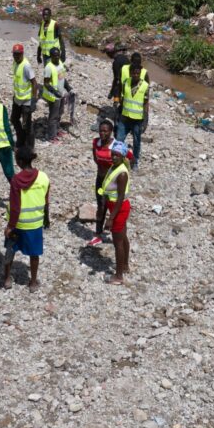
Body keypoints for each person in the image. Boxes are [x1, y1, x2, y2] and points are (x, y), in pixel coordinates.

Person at [3, 148, 50, 290]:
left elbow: (15, 206)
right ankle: (33, 282)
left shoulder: (16, 180)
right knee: (34, 254)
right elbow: (46, 200)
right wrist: (46, 218)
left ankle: (6, 279)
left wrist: (10, 226)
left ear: (20, 162)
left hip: (18, 223)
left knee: (10, 250)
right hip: (35, 223)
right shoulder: (43, 177)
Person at [101, 141, 133, 284]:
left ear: (122, 156)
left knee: (117, 242)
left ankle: (118, 276)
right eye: (113, 154)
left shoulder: (121, 174)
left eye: (117, 155)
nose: (113, 157)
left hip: (118, 208)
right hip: (115, 206)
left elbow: (120, 197)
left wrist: (110, 218)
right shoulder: (115, 167)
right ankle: (125, 265)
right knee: (123, 236)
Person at [87, 119, 119, 246]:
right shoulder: (96, 142)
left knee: (113, 207)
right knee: (101, 206)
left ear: (111, 132)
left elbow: (128, 159)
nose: (102, 133)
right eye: (100, 131)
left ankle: (117, 235)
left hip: (113, 183)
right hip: (100, 180)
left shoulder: (116, 146)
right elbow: (95, 157)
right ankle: (98, 234)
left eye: (105, 131)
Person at [116, 63, 149, 169]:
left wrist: (145, 120)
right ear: (130, 73)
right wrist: (118, 113)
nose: (135, 75)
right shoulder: (126, 83)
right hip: (124, 117)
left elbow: (146, 103)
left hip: (137, 120)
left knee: (136, 142)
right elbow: (122, 99)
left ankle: (134, 161)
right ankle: (117, 159)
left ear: (140, 74)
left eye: (137, 73)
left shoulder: (145, 86)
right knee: (119, 139)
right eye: (133, 73)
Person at [42, 47, 77, 142]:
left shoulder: (61, 63)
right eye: (55, 56)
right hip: (52, 96)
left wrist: (68, 87)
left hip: (61, 94)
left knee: (60, 113)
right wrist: (55, 91)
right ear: (51, 56)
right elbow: (46, 83)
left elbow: (62, 78)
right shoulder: (49, 67)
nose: (57, 57)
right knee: (53, 116)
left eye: (58, 55)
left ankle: (57, 130)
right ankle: (51, 136)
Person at [9, 44, 38, 149]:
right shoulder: (15, 63)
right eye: (14, 54)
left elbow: (34, 83)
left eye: (18, 54)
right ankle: (21, 139)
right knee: (14, 119)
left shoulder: (26, 66)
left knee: (27, 125)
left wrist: (34, 100)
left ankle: (30, 147)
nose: (16, 56)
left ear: (22, 53)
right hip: (17, 99)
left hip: (26, 101)